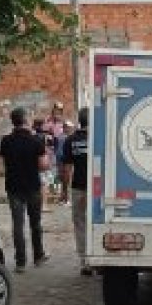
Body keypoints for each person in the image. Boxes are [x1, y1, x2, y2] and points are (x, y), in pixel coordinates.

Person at [0, 108, 48, 272]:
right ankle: (38, 255)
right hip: (33, 186)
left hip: (13, 187)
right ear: (26, 120)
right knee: (35, 223)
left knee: (18, 225)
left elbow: (5, 163)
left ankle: (20, 261)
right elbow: (43, 166)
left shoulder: (6, 141)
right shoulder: (36, 141)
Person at [59, 109, 91, 275]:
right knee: (97, 222)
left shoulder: (71, 140)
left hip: (78, 187)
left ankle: (85, 261)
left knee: (80, 222)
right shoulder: (99, 137)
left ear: (79, 121)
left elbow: (67, 169)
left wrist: (64, 190)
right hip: (97, 189)